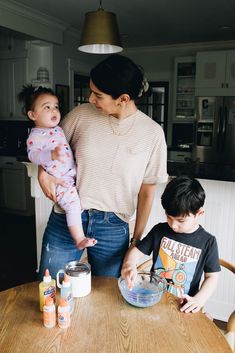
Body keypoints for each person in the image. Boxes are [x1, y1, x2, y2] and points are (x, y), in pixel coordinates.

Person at [37, 54, 168, 279]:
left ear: (123, 98)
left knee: (108, 299)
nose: (90, 99)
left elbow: (146, 193)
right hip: (65, 218)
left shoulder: (152, 134)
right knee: (52, 289)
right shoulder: (80, 115)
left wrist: (135, 243)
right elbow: (49, 145)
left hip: (113, 227)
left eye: (98, 95)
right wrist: (42, 175)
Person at [121, 175, 220, 313]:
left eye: (180, 221)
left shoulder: (208, 242)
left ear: (199, 213)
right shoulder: (159, 230)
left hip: (183, 307)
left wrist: (199, 300)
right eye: (169, 217)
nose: (173, 225)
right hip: (153, 299)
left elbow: (212, 277)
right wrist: (129, 265)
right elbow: (135, 253)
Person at [18, 84, 97, 250]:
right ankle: (79, 238)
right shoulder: (35, 136)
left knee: (80, 200)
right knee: (73, 205)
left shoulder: (58, 129)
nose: (54, 111)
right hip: (59, 181)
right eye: (46, 107)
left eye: (56, 106)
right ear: (33, 114)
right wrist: (50, 155)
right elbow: (33, 156)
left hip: (71, 173)